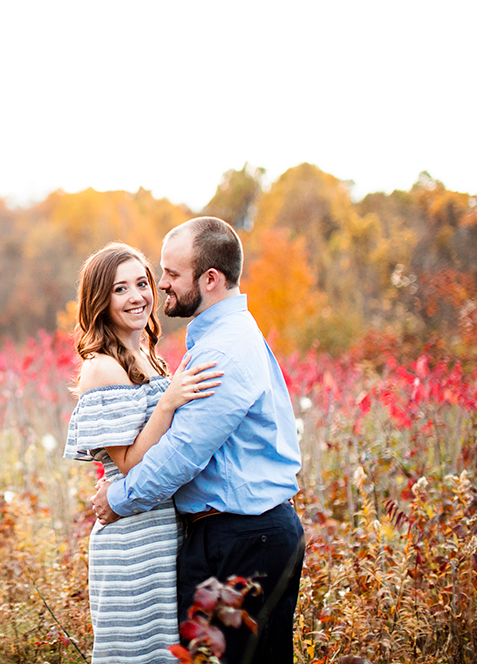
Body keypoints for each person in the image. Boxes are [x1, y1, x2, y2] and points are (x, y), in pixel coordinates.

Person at [90, 217, 305, 664]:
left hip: (243, 538)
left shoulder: (222, 350)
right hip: (230, 535)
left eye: (169, 274)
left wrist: (119, 498)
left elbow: (182, 454)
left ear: (209, 279)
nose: (159, 285)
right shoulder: (213, 340)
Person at [64, 242, 223, 663]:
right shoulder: (102, 366)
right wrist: (169, 401)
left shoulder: (149, 356)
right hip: (130, 543)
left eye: (142, 283)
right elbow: (131, 463)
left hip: (164, 535)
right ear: (100, 300)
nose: (137, 296)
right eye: (120, 289)